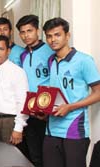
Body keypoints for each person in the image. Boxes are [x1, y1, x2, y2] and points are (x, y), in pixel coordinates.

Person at [42, 17, 100, 167]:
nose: (52, 39)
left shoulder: (84, 60)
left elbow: (98, 93)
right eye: (49, 36)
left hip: (75, 131)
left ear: (67, 36)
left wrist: (70, 107)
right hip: (51, 130)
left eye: (57, 35)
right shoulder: (51, 61)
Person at [15, 14, 54, 167]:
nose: (26, 35)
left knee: (49, 155)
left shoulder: (50, 52)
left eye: (29, 31)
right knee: (33, 155)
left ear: (37, 31)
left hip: (46, 112)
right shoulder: (22, 54)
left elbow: (54, 81)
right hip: (28, 111)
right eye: (22, 32)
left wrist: (46, 109)